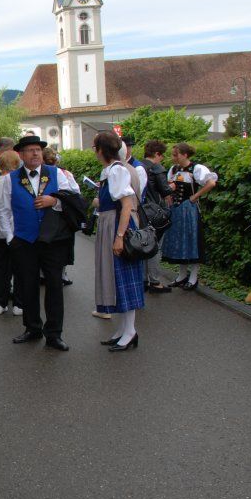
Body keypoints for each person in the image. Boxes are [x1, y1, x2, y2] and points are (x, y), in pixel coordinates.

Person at [0, 135, 76, 351]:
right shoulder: (10, 179)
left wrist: (55, 200)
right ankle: (32, 328)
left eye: (38, 150)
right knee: (27, 285)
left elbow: (74, 196)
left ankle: (54, 334)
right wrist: (10, 237)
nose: (35, 154)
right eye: (30, 150)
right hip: (24, 240)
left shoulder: (56, 173)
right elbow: (3, 211)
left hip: (53, 240)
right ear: (21, 155)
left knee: (54, 286)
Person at [92, 132, 145, 351]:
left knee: (123, 277)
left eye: (95, 147)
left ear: (101, 150)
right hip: (109, 225)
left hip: (116, 226)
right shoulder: (110, 171)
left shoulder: (117, 171)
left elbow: (126, 205)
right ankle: (123, 329)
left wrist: (120, 236)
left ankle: (131, 331)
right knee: (115, 278)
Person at [161, 143, 218, 290]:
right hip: (177, 210)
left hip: (189, 209)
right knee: (180, 241)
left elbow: (211, 183)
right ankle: (181, 275)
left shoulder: (197, 168)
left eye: (176, 155)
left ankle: (193, 277)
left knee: (192, 241)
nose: (174, 158)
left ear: (185, 155)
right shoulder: (174, 169)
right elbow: (169, 186)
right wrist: (168, 196)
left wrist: (196, 196)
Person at [0, 150, 23, 316]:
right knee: (19, 266)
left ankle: (0, 302)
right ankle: (18, 303)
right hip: (14, 228)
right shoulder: (17, 181)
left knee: (0, 267)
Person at [140, 139, 176, 293]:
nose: (163, 158)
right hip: (155, 212)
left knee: (143, 245)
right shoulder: (157, 168)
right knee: (155, 247)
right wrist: (173, 186)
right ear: (157, 154)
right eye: (162, 155)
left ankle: (143, 279)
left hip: (141, 211)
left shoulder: (138, 166)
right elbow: (165, 190)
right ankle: (155, 281)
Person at [43, 147, 80, 287]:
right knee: (64, 246)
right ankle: (61, 273)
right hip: (63, 215)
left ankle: (45, 273)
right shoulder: (64, 173)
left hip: (48, 214)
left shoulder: (47, 173)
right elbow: (75, 191)